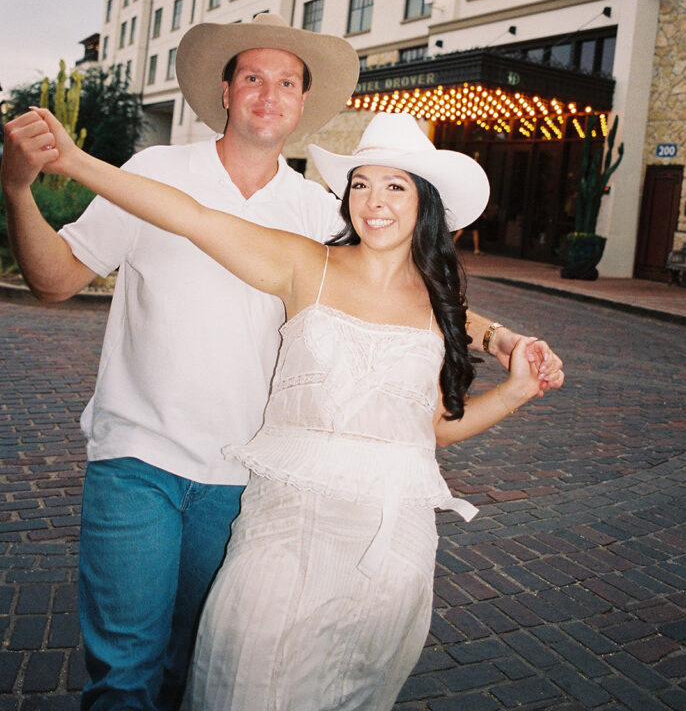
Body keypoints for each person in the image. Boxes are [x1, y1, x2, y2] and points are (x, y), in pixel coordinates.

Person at [28, 107, 564, 711]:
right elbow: (190, 216)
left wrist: (515, 389)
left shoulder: (441, 309)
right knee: (247, 682)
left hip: (392, 553)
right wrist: (72, 162)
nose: (374, 200)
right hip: (284, 534)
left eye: (395, 185)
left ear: (427, 203)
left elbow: (433, 431)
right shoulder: (305, 263)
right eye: (361, 183)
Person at [0, 14, 359, 711]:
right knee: (124, 674)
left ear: (302, 103)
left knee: (189, 669)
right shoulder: (156, 171)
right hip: (138, 458)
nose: (268, 92)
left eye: (287, 81)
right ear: (226, 91)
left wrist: (489, 333)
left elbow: (376, 305)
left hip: (243, 480)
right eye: (252, 75)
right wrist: (17, 189)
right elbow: (56, 280)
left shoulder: (316, 211)